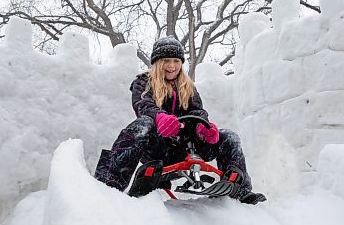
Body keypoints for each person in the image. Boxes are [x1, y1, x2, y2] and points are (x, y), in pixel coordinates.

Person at [94, 36, 266, 204]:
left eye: (176, 61)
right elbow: (143, 104)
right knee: (142, 126)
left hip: (187, 146)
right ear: (157, 62)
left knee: (229, 137)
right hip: (158, 148)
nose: (171, 66)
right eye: (166, 60)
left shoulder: (188, 87)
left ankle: (240, 190)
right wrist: (159, 117)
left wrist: (203, 127)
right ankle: (109, 184)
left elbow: (198, 111)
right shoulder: (143, 82)